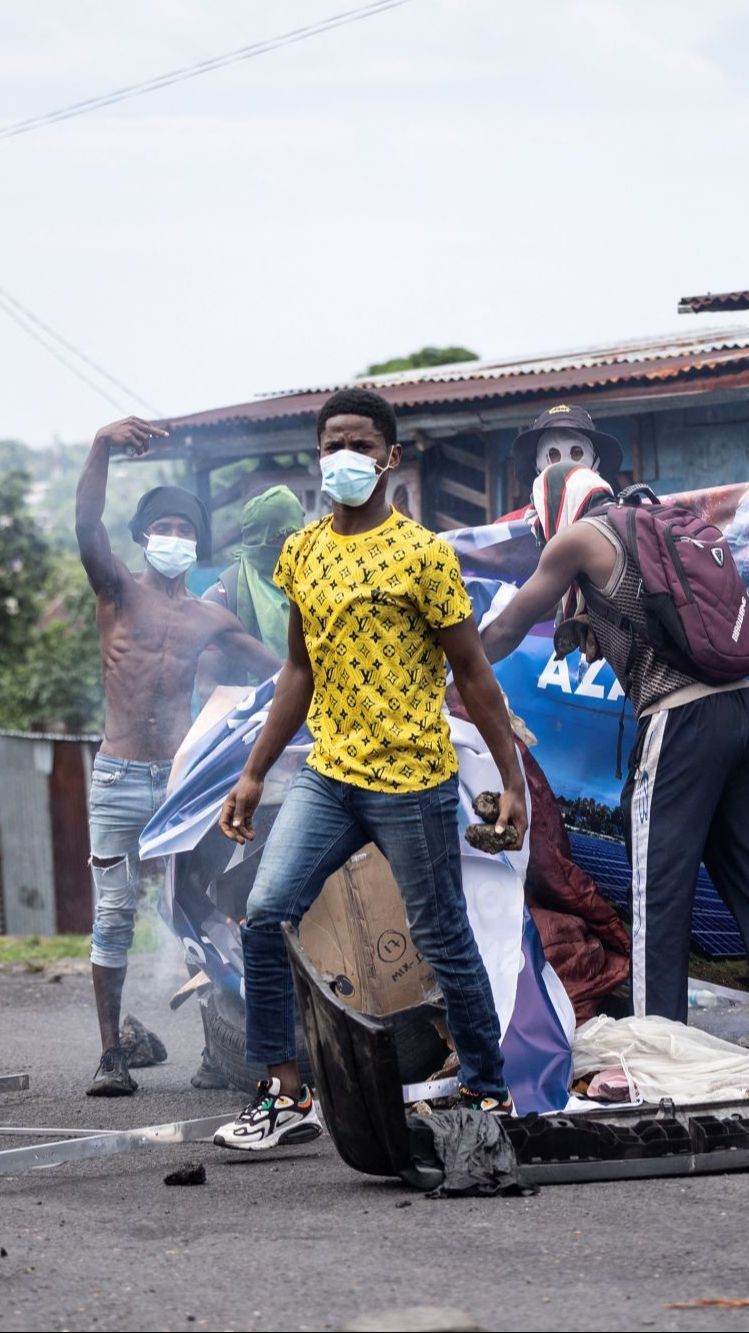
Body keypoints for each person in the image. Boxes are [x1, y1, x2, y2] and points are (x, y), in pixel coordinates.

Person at [211, 387, 529, 1152]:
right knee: (264, 916)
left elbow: (474, 672)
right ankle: (287, 1095)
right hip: (328, 774)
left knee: (442, 934)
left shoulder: (423, 554)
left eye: (358, 445)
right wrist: (254, 773)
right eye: (330, 446)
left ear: (389, 457)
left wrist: (512, 780)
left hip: (411, 776)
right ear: (316, 458)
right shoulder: (303, 552)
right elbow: (296, 671)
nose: (343, 458)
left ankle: (488, 1091)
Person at [481, 456, 749, 1025]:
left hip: (680, 717)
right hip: (740, 705)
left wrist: (443, 666)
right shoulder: (654, 520)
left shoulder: (578, 539)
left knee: (656, 892)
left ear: (554, 504)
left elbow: (506, 628)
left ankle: (657, 1044)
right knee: (742, 870)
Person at [76, 416, 283, 1096]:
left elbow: (284, 672)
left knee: (197, 912)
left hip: (181, 786)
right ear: (143, 538)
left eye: (185, 531)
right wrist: (101, 445)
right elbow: (86, 526)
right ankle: (112, 1053)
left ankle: (218, 1051)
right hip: (116, 777)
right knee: (112, 913)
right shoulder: (117, 592)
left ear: (197, 545)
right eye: (163, 529)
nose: (174, 540)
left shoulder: (209, 618)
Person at [196, 485, 304, 702]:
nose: (287, 545)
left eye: (295, 535)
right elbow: (208, 688)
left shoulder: (316, 585)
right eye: (277, 538)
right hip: (246, 724)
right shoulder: (223, 598)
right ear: (254, 539)